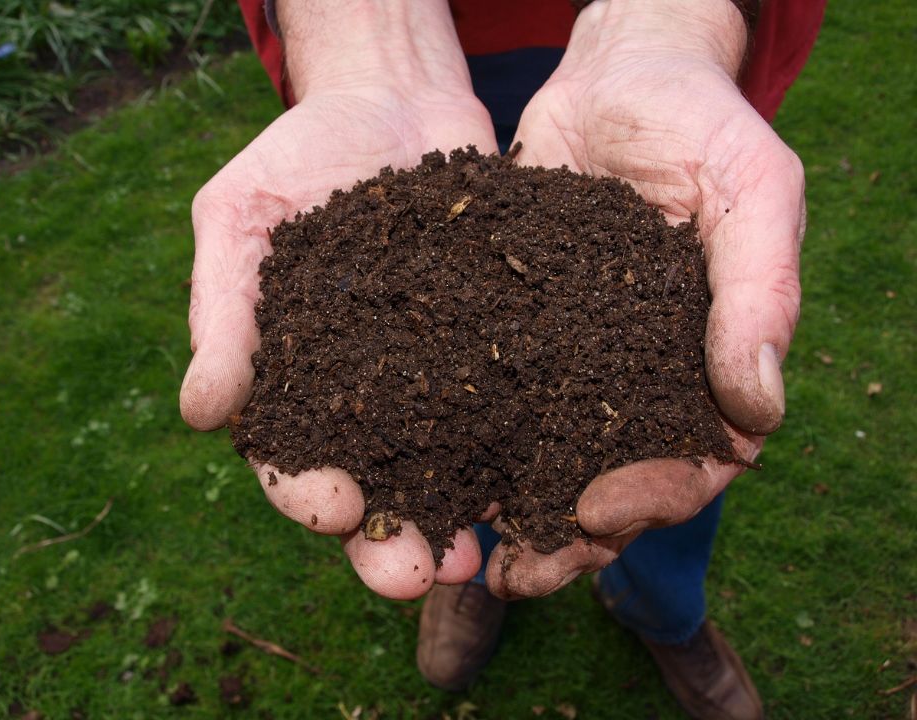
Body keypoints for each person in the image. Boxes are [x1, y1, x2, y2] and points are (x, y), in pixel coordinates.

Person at [180, 1, 825, 717]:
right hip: (443, 40)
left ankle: (667, 614)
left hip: (668, 45)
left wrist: (671, 26)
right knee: (468, 455)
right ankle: (473, 579)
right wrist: (369, 42)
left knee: (679, 434)